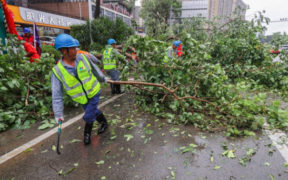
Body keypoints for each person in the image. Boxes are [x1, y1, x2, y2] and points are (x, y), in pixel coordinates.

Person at [51, 34, 109, 145]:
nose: (76, 50)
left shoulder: (82, 57)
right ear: (64, 51)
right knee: (93, 111)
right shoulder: (57, 71)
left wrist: (103, 79)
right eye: (72, 48)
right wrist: (58, 114)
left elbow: (95, 69)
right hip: (81, 98)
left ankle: (87, 134)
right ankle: (104, 123)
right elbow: (57, 95)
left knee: (89, 115)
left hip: (94, 91)